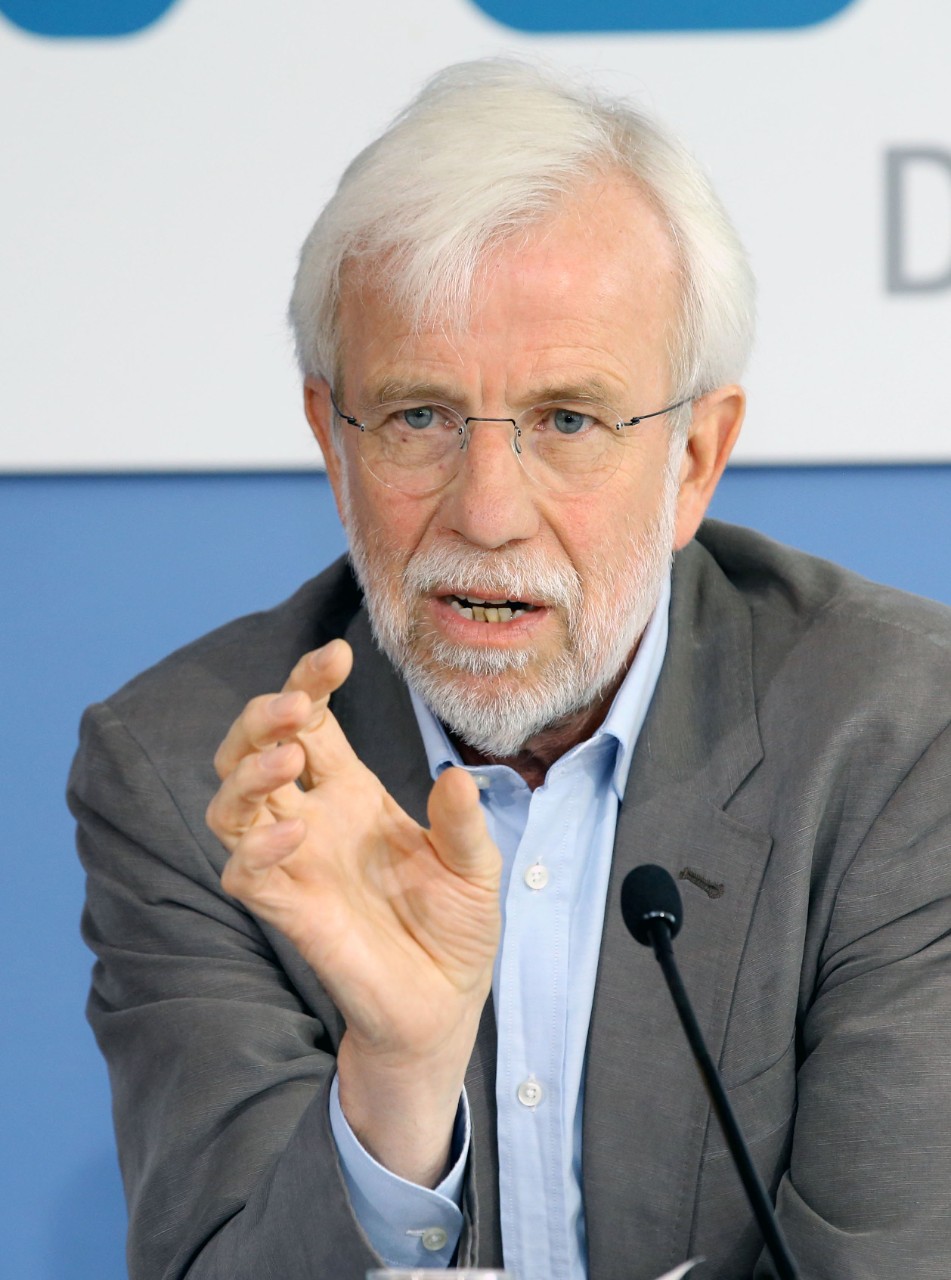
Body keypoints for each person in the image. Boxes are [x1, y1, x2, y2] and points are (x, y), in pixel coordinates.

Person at [69, 59, 951, 1280]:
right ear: (333, 442)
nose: (488, 513)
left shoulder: (903, 736)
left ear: (696, 458)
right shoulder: (197, 772)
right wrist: (396, 1080)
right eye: (421, 416)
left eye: (568, 420)